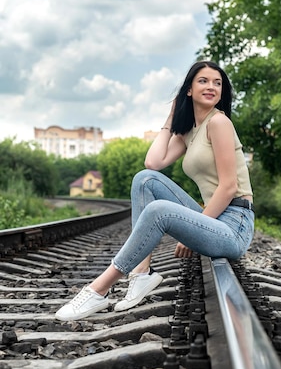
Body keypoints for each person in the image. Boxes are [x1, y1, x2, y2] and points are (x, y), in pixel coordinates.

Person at [56, 60, 255, 320]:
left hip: (235, 225)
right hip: (217, 218)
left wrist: (191, 232)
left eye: (217, 83)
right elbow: (153, 162)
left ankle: (99, 290)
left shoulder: (219, 123)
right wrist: (171, 119)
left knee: (159, 210)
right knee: (145, 179)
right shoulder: (191, 131)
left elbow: (229, 187)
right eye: (203, 81)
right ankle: (140, 274)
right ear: (188, 90)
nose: (211, 87)